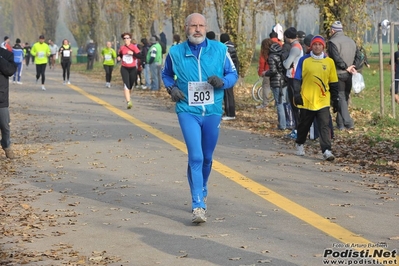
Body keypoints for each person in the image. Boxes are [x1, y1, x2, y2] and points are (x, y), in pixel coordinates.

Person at [161, 13, 238, 223]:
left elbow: (233, 74)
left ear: (206, 27)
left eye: (201, 26)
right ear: (186, 28)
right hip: (187, 109)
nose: (197, 29)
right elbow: (166, 74)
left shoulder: (220, 50)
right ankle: (198, 205)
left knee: (207, 157)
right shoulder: (176, 52)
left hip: (212, 110)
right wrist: (171, 88)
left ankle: (202, 187)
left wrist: (223, 82)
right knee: (195, 156)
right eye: (193, 25)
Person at [293, 36, 339, 161]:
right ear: (311, 46)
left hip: (323, 100)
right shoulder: (304, 60)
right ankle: (300, 143)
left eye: (320, 44)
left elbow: (334, 82)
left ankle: (327, 150)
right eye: (315, 44)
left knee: (324, 125)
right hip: (307, 99)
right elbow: (297, 78)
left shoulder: (329, 62)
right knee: (304, 125)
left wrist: (336, 100)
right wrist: (296, 94)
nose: (317, 46)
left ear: (323, 47)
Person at [327, 21, 361, 130]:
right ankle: (340, 124)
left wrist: (345, 67)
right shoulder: (352, 41)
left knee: (340, 98)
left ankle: (348, 122)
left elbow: (336, 58)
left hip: (338, 74)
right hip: (350, 74)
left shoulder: (332, 42)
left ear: (333, 30)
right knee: (344, 98)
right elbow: (359, 55)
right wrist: (353, 67)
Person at [283, 27, 303, 138]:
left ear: (287, 37)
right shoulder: (298, 45)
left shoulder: (295, 48)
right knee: (295, 106)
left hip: (293, 77)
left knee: (294, 106)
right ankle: (297, 129)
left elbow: (287, 64)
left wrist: (283, 61)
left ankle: (297, 130)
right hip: (296, 77)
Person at [264, 40, 288, 130]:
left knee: (279, 103)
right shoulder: (281, 55)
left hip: (276, 82)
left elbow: (273, 71)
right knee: (284, 102)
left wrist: (265, 73)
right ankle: (287, 122)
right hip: (284, 81)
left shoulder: (271, 57)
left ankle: (282, 125)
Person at [0, 47, 17, 159]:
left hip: (1, 98)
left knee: (5, 126)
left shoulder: (6, 54)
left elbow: (11, 70)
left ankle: (6, 145)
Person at [117, 32, 141, 109]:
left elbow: (140, 55)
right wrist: (119, 58)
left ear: (130, 39)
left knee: (130, 85)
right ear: (123, 40)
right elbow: (120, 54)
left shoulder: (134, 47)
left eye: (127, 38)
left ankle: (129, 98)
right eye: (124, 38)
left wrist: (132, 53)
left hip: (133, 68)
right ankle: (128, 102)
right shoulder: (122, 48)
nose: (126, 39)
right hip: (124, 68)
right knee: (126, 84)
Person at [220, 33, 239, 121]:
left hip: (228, 75)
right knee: (229, 94)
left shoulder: (226, 49)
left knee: (228, 94)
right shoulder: (232, 47)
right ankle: (229, 112)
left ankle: (230, 114)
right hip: (232, 74)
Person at [257, 38, 273, 109]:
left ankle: (265, 104)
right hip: (276, 72)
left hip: (267, 72)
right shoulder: (275, 51)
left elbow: (262, 63)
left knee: (265, 87)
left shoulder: (264, 53)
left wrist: (260, 73)